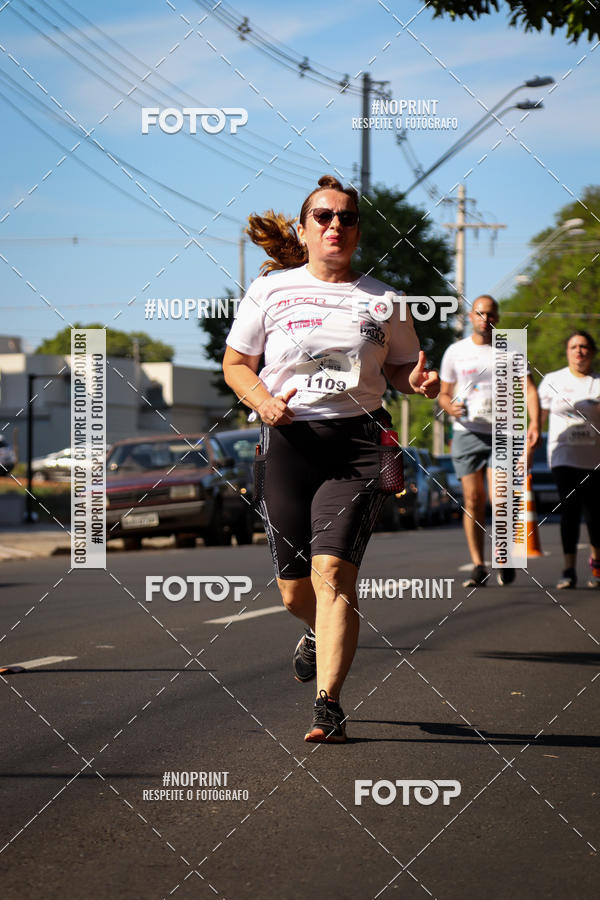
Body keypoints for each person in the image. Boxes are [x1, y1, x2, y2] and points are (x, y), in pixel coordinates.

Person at [222, 175, 440, 743]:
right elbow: (236, 364)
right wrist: (264, 401)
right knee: (295, 591)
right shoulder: (269, 292)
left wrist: (412, 378)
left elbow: (399, 366)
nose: (334, 225)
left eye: (345, 217)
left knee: (334, 577)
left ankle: (329, 705)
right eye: (322, 217)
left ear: (358, 231)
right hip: (288, 444)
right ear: (304, 228)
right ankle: (315, 632)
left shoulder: (385, 300)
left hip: (358, 446)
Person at [438, 295, 541, 587]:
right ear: (471, 317)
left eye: (491, 314)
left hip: (503, 432)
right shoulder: (455, 351)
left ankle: (504, 555)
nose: (486, 319)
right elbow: (443, 393)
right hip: (466, 432)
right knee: (473, 500)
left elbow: (529, 390)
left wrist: (535, 422)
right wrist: (449, 406)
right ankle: (478, 564)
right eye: (480, 313)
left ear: (498, 317)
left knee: (500, 499)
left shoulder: (512, 349)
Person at [538, 330, 600, 589]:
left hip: (595, 458)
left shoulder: (598, 381)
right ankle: (568, 569)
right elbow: (537, 417)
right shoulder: (552, 380)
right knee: (569, 510)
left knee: (595, 515)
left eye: (584, 347)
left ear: (592, 352)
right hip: (562, 455)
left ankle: (597, 564)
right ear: (567, 351)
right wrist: (528, 442)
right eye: (574, 346)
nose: (579, 351)